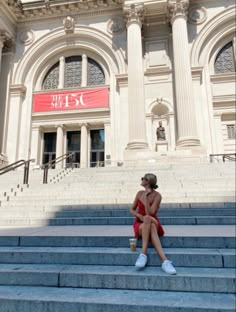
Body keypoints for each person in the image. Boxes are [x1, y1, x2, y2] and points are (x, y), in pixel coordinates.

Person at [130, 173, 176, 274]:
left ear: (149, 182)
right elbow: (132, 210)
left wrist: (146, 198)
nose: (141, 179)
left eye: (144, 178)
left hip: (153, 220)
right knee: (148, 223)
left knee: (148, 218)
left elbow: (150, 213)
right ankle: (165, 261)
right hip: (140, 224)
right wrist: (139, 216)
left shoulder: (157, 196)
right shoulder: (139, 193)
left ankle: (143, 254)